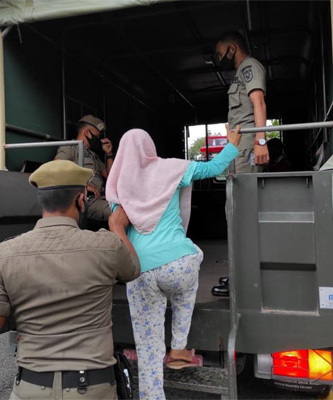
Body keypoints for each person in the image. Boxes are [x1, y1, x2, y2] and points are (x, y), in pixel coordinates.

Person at [0, 160, 140, 400]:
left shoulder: (3, 255)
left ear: (41, 202)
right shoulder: (107, 246)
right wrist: (117, 226)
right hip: (94, 390)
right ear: (81, 201)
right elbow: (133, 269)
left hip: (30, 389)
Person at [105, 125, 242, 400]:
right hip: (178, 265)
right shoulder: (172, 168)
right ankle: (179, 347)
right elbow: (213, 168)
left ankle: (152, 396)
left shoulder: (117, 185)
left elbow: (119, 225)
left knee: (148, 346)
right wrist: (232, 144)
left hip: (139, 272)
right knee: (189, 272)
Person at [215, 31, 269, 172]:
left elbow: (259, 103)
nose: (220, 59)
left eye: (221, 54)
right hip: (239, 146)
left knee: (246, 192)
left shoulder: (250, 66)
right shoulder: (240, 72)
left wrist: (260, 141)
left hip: (247, 146)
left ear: (232, 49)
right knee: (238, 191)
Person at [55, 115, 114, 220]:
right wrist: (83, 186)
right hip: (84, 200)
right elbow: (57, 168)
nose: (100, 140)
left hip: (100, 198)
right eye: (98, 136)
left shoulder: (93, 154)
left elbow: (109, 175)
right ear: (87, 133)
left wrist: (109, 154)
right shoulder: (71, 147)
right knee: (117, 213)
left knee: (125, 207)